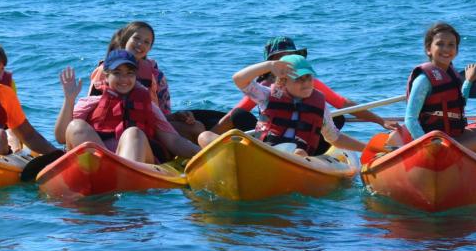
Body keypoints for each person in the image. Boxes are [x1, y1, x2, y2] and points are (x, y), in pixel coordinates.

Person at [212, 36, 396, 136]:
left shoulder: (309, 83)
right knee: (239, 116)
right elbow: (232, 116)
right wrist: (206, 141)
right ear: (271, 63)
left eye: (290, 56)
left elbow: (343, 104)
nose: (286, 62)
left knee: (337, 118)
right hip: (271, 137)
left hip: (303, 139)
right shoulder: (264, 87)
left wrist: (380, 121)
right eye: (280, 58)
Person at [196, 54, 366, 158]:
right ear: (283, 81)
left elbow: (334, 137)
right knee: (204, 136)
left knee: (299, 153)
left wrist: (367, 148)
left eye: (308, 78)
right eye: (299, 79)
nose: (306, 83)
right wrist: (269, 65)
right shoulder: (267, 95)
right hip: (263, 152)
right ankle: (223, 163)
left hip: (296, 157)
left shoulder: (319, 103)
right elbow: (238, 79)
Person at [56, 50, 199, 163]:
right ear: (106, 76)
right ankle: (106, 170)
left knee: (133, 133)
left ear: (135, 76)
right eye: (117, 73)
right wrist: (69, 100)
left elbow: (173, 141)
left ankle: (125, 178)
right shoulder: (89, 103)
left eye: (129, 73)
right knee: (76, 126)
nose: (124, 79)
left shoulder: (147, 105)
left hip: (137, 163)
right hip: (100, 162)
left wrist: (201, 153)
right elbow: (62, 137)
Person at [393, 22, 476, 156]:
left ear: (457, 50)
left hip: (453, 135)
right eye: (440, 44)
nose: (446, 49)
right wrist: (427, 146)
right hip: (436, 142)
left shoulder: (451, 75)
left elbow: (459, 103)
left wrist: (468, 82)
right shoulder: (424, 80)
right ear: (428, 49)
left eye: (451, 44)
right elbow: (410, 119)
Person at [88, 20, 206, 142]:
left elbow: (161, 115)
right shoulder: (105, 71)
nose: (140, 44)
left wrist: (177, 116)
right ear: (125, 40)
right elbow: (92, 110)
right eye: (136, 38)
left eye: (146, 42)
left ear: (150, 48)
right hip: (111, 131)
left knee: (197, 127)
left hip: (150, 128)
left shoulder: (156, 76)